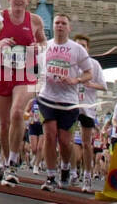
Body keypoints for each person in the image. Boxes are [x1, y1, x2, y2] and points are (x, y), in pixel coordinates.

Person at [0, 0, 45, 185]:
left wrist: (38, 47)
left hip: (26, 73)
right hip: (3, 72)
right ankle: (4, 161)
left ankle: (12, 163)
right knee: (2, 125)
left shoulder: (35, 20)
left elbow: (43, 43)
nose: (19, 0)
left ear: (27, 0)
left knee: (17, 113)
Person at [34, 14, 94, 192]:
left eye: (63, 23)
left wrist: (75, 80)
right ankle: (51, 176)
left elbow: (88, 73)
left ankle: (66, 168)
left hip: (69, 102)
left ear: (69, 28)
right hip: (47, 98)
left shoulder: (77, 49)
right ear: (53, 26)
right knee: (50, 135)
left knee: (66, 142)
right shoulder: (46, 47)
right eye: (57, 23)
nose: (60, 26)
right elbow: (36, 70)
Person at [70, 33, 105, 192]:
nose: (80, 49)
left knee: (86, 143)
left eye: (83, 46)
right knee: (68, 141)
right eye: (77, 45)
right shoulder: (69, 63)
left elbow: (103, 86)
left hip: (88, 107)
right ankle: (71, 172)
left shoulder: (94, 65)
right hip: (70, 104)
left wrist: (90, 84)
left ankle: (87, 176)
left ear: (88, 49)